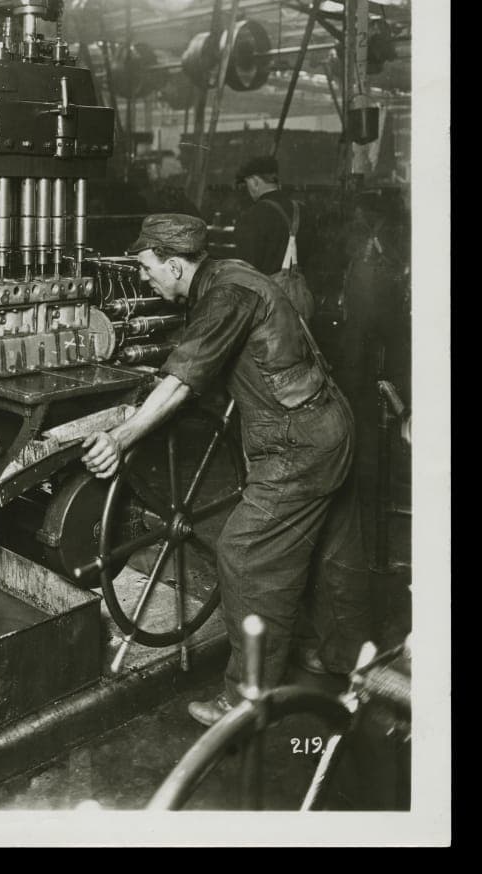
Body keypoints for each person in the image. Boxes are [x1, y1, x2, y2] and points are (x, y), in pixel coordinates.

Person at [80, 213, 371, 726]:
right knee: (331, 551)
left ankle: (246, 699)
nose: (143, 277)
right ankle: (343, 660)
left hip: (296, 444)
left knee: (244, 555)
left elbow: (186, 379)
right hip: (330, 424)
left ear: (173, 265)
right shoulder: (231, 274)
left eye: (146, 267)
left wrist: (122, 436)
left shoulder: (225, 296)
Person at [234, 155, 317, 320]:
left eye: (247, 183)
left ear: (255, 181)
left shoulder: (252, 217)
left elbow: (246, 270)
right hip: (300, 299)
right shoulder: (303, 211)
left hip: (267, 305)